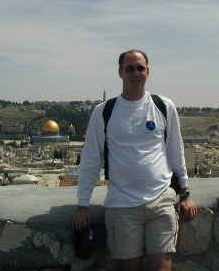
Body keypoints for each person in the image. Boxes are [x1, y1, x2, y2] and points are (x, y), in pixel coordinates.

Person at [73, 50, 197, 271]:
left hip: (161, 200)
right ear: (120, 72)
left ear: (148, 72)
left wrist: (185, 193)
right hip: (122, 206)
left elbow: (175, 151)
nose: (135, 73)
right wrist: (83, 205)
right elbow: (91, 159)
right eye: (129, 68)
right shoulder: (104, 112)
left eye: (140, 68)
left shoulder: (164, 106)